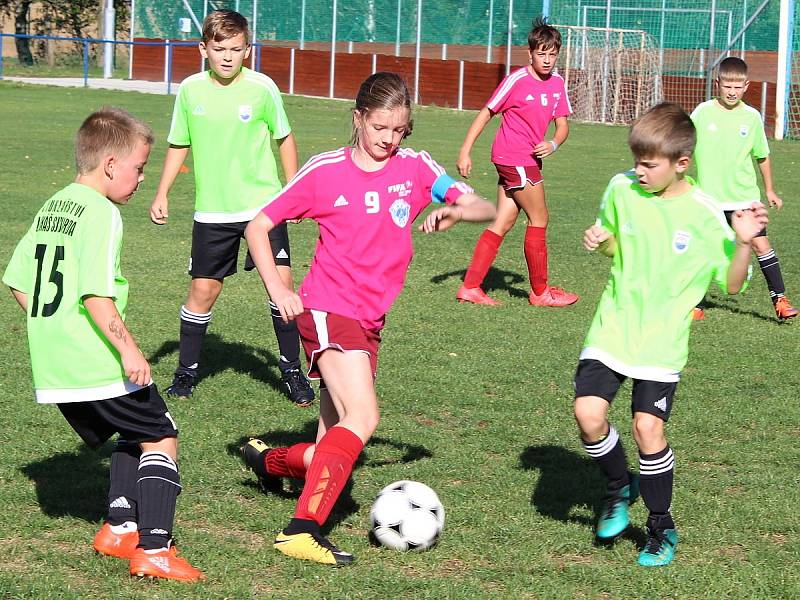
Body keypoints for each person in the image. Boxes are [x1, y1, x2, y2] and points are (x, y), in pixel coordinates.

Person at [239, 72, 496, 566]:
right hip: (328, 309)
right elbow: (258, 225)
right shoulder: (325, 170)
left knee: (334, 440)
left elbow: (484, 204)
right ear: (358, 119)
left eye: (399, 130)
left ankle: (269, 462)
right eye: (380, 127)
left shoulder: (415, 168)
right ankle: (302, 530)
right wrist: (280, 290)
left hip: (369, 319)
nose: (389, 139)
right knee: (364, 417)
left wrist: (458, 212)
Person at [2, 108, 205, 582]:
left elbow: (16, 280)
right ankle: (154, 550)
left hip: (54, 363)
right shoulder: (101, 212)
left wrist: (50, 326)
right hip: (93, 356)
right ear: (111, 164)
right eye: (138, 168)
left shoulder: (54, 204)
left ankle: (119, 528)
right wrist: (129, 350)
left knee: (131, 430)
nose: (140, 179)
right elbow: (96, 294)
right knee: (161, 432)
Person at [575, 103, 767, 567]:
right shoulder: (621, 187)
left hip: (662, 339)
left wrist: (743, 242)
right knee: (588, 415)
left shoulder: (704, 214)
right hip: (614, 323)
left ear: (681, 163)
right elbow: (619, 250)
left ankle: (661, 525)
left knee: (647, 427)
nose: (637, 170)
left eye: (648, 163)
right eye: (636, 159)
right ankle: (619, 486)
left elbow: (735, 284)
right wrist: (604, 243)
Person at [150, 9, 315, 404]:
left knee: (283, 289)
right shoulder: (190, 90)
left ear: (248, 50)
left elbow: (285, 138)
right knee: (203, 290)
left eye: (235, 49)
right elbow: (178, 143)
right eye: (219, 48)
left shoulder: (262, 88)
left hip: (263, 208)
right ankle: (187, 373)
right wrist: (162, 192)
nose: (227, 56)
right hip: (213, 211)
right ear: (203, 49)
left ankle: (293, 372)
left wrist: (290, 193)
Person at [455, 17, 578, 307]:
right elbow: (487, 112)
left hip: (521, 160)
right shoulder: (517, 80)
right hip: (515, 159)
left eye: (552, 54)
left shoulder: (557, 83)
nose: (546, 60)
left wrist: (553, 143)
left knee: (504, 220)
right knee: (540, 218)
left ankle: (470, 287)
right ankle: (540, 293)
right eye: (541, 53)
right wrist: (465, 150)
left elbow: (562, 126)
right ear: (531, 53)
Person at [691, 56, 797, 321]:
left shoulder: (751, 117)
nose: (732, 92)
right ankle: (696, 304)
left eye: (737, 87)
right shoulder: (702, 112)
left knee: (761, 245)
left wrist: (770, 190)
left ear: (746, 86)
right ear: (718, 84)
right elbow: (683, 143)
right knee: (704, 249)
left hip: (744, 197)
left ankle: (780, 300)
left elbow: (762, 155)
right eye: (727, 86)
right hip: (710, 199)